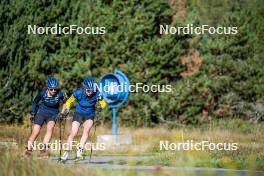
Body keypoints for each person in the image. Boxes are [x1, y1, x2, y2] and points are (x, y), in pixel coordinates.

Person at [59, 76, 107, 162]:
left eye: (92, 90)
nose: (90, 92)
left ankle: (79, 150)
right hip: (79, 113)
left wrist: (100, 107)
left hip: (90, 114)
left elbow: (104, 104)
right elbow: (69, 101)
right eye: (88, 90)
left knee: (86, 131)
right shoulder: (78, 93)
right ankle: (66, 152)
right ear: (84, 88)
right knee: (73, 132)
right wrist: (67, 109)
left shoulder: (97, 93)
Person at [23, 77, 66, 158]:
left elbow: (65, 103)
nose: (53, 91)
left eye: (55, 89)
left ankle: (43, 150)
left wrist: (62, 113)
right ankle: (27, 150)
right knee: (35, 132)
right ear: (48, 88)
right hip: (42, 112)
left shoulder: (60, 94)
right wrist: (33, 112)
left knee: (50, 129)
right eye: (51, 89)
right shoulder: (42, 93)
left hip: (53, 114)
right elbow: (35, 102)